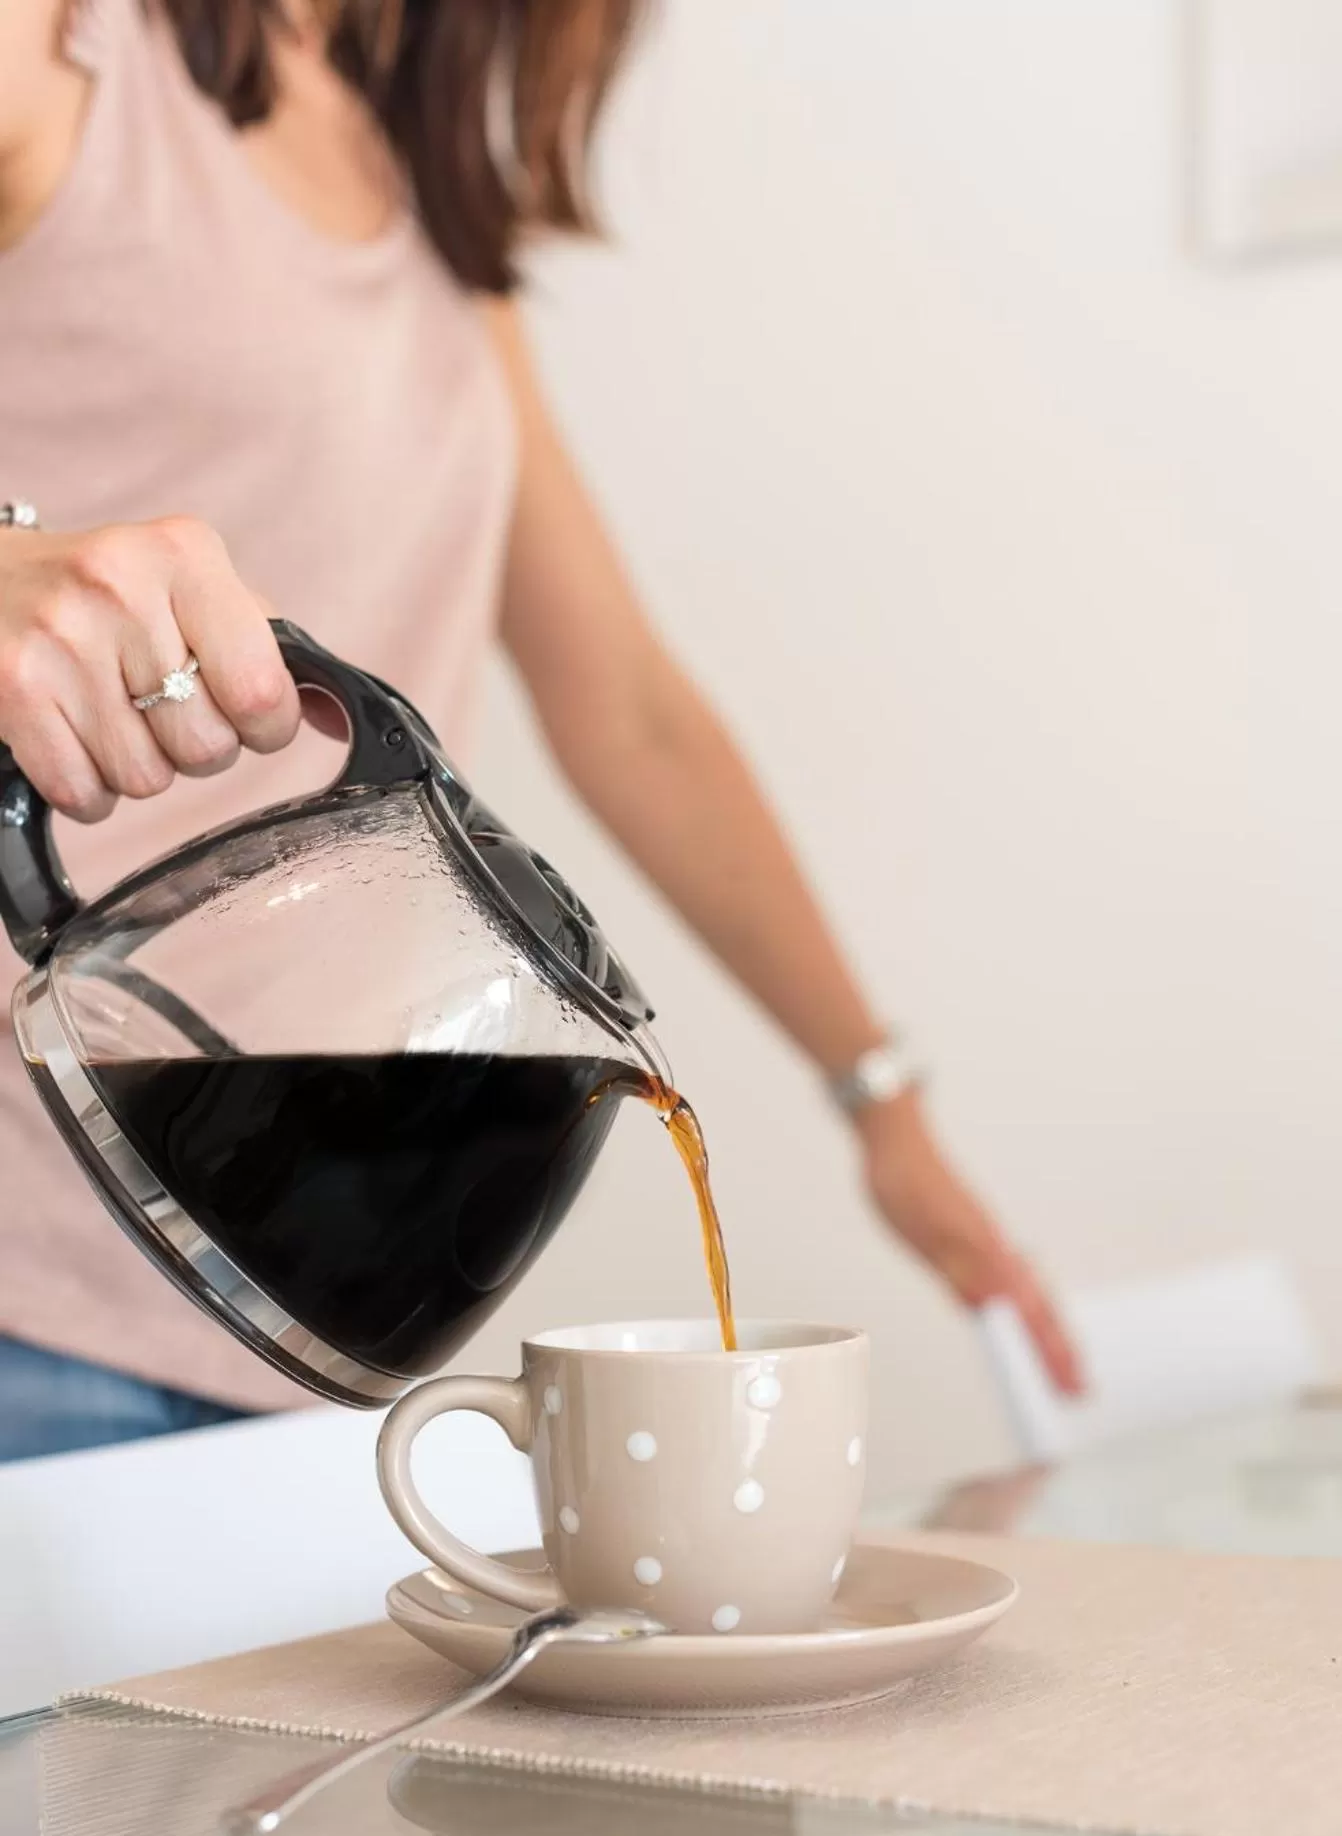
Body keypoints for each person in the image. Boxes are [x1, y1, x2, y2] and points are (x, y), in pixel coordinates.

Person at [0, 0, 1080, 1464]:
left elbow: (626, 707)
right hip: (36, 1255)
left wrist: (879, 1106)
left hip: (316, 1262)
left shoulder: (414, 186)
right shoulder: (66, 45)